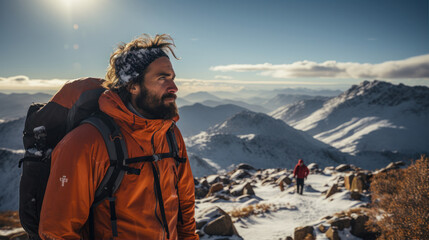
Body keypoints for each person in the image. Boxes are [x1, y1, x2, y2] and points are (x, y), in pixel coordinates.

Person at [39, 34, 199, 240]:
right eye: (162, 78)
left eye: (172, 78)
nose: (174, 88)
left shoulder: (170, 134)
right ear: (133, 86)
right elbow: (58, 231)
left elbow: (185, 203)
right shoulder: (87, 141)